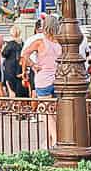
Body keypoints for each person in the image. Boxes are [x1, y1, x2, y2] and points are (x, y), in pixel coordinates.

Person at [21, 16, 62, 147]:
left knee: (47, 112)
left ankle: (55, 140)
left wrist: (33, 65)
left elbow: (24, 54)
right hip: (58, 79)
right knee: (54, 112)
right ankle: (50, 140)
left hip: (43, 79)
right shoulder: (60, 42)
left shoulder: (40, 41)